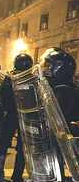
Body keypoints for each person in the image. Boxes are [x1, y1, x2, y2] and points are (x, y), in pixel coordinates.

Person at [41, 47, 79, 181]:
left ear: (59, 68)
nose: (46, 69)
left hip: (61, 136)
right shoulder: (63, 86)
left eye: (49, 65)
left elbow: (57, 115)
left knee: (58, 163)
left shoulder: (63, 89)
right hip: (60, 136)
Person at [0, 53, 33, 182]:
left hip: (10, 115)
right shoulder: (31, 79)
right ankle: (17, 176)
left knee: (4, 144)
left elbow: (1, 96)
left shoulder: (9, 78)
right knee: (22, 147)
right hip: (26, 116)